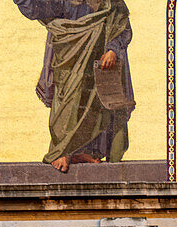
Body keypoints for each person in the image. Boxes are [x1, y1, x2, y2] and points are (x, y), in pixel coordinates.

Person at [14, 0, 135, 173]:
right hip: (69, 59)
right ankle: (64, 151)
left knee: (100, 105)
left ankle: (85, 152)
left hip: (99, 58)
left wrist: (113, 49)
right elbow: (38, 9)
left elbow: (121, 21)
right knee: (69, 102)